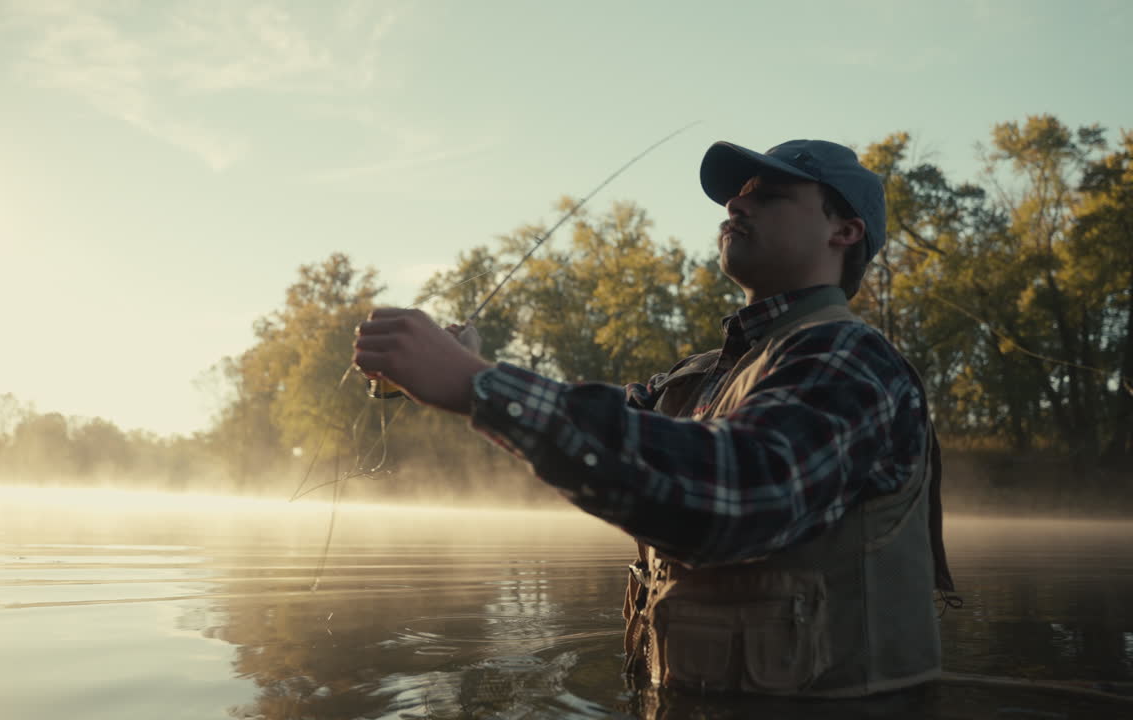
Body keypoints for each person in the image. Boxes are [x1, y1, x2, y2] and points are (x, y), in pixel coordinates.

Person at [352, 139, 955, 698]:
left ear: (844, 231)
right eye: (738, 192)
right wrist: (462, 368)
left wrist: (473, 384)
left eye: (769, 195)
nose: (736, 201)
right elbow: (611, 432)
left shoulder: (851, 361)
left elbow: (736, 491)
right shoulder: (700, 377)